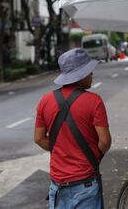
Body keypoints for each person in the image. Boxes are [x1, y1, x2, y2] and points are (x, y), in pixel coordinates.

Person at [34, 48, 111, 209]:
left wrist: (61, 150)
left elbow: (39, 138)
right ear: (80, 75)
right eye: (89, 71)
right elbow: (104, 142)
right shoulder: (94, 101)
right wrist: (91, 155)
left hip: (58, 187)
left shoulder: (45, 101)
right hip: (85, 185)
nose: (92, 74)